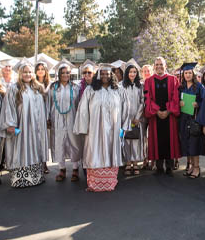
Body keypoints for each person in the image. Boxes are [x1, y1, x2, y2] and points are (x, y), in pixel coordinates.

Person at [73, 64, 129, 192]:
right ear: (98, 75)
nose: (105, 76)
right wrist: (84, 128)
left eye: (107, 74)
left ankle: (109, 183)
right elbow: (83, 110)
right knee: (94, 152)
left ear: (111, 75)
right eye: (102, 74)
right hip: (95, 130)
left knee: (111, 152)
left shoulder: (119, 90)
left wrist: (123, 127)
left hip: (113, 130)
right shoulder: (90, 90)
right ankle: (94, 184)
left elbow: (125, 109)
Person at [0, 59, 49, 188]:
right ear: (20, 73)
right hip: (21, 125)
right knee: (20, 148)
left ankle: (36, 177)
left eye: (30, 72)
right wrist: (11, 124)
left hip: (36, 127)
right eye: (25, 72)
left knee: (35, 147)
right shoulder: (14, 88)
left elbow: (43, 107)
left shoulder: (38, 88)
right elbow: (8, 107)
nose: (27, 74)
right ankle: (20, 179)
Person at [46, 59, 83, 182]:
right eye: (63, 73)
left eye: (67, 72)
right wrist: (48, 117)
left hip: (72, 118)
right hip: (57, 119)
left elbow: (78, 104)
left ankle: (75, 168)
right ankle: (62, 169)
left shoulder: (75, 87)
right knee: (59, 143)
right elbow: (48, 103)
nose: (66, 75)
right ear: (59, 74)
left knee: (74, 142)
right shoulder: (52, 87)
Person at [144, 57, 181, 175]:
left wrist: (168, 111)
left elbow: (176, 97)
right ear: (154, 66)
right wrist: (157, 111)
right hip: (156, 116)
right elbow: (147, 99)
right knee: (156, 139)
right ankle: (159, 166)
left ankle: (169, 166)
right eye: (157, 64)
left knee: (170, 139)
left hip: (169, 117)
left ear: (165, 66)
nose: (159, 66)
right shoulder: (148, 81)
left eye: (161, 64)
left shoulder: (173, 79)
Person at [178, 62, 205, 179]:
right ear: (183, 74)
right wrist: (179, 103)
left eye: (189, 73)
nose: (188, 75)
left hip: (194, 119)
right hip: (183, 118)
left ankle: (197, 167)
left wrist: (197, 104)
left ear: (193, 74)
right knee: (187, 142)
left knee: (194, 143)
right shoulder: (181, 87)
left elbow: (204, 102)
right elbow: (176, 100)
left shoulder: (199, 87)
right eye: (186, 73)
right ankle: (191, 166)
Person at [121, 59, 146, 175]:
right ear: (127, 73)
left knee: (136, 140)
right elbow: (119, 103)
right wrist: (125, 118)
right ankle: (128, 163)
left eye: (134, 72)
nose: (132, 74)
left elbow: (142, 102)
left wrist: (137, 117)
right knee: (126, 141)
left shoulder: (140, 86)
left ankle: (135, 163)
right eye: (130, 72)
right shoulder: (121, 86)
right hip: (125, 118)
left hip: (137, 119)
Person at [35, 58, 54, 175]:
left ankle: (44, 162)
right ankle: (36, 162)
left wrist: (49, 116)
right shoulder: (32, 83)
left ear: (46, 71)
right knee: (35, 139)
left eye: (43, 69)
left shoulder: (51, 84)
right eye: (38, 69)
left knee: (44, 140)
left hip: (46, 113)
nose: (41, 71)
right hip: (35, 114)